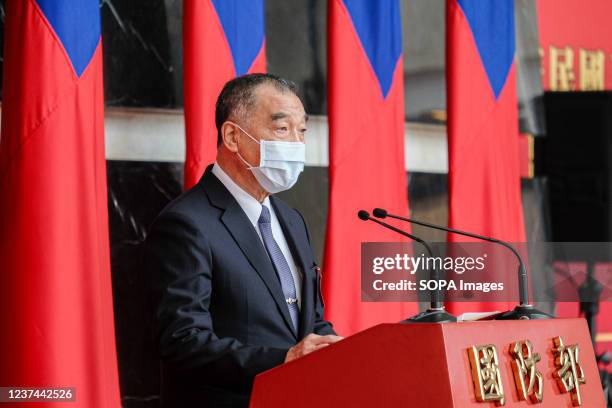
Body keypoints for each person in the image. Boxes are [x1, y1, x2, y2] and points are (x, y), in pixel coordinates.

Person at [145, 73, 341, 407]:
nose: (296, 143)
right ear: (233, 136)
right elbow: (183, 341)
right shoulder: (186, 223)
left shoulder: (292, 220)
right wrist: (283, 360)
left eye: (302, 131)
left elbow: (309, 319)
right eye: (282, 129)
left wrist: (334, 348)